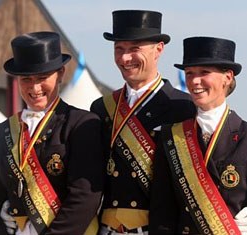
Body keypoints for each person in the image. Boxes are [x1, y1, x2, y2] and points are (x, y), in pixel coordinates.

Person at [149, 36, 247, 234]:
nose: (194, 81)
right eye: (189, 73)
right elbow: (163, 213)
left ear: (227, 77)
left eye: (204, 72)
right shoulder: (171, 137)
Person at [0, 31, 104, 235]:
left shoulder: (81, 123)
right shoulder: (4, 130)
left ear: (61, 73)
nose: (34, 87)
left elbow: (84, 197)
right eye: (26, 78)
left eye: (43, 77)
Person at [90, 10, 196, 235]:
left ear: (159, 49)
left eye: (134, 49)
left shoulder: (183, 107)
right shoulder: (102, 108)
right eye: (119, 49)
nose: (125, 58)